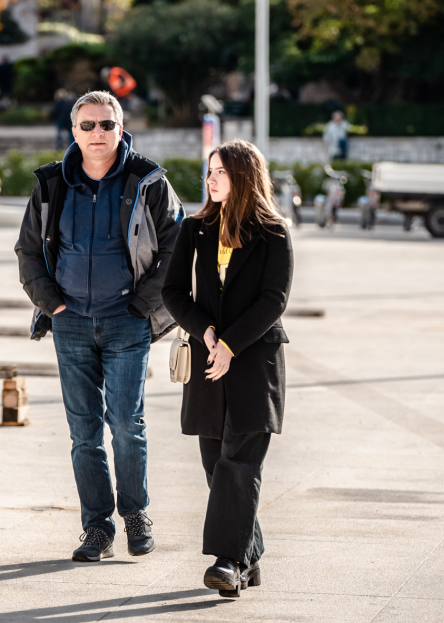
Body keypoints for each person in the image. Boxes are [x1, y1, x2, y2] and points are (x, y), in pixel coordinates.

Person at [15, 90, 184, 562]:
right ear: (73, 131)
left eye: (106, 125)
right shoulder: (52, 184)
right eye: (86, 125)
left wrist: (141, 305)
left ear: (120, 128)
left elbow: (175, 249)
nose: (96, 133)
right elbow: (28, 251)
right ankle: (97, 528)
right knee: (83, 431)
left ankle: (135, 513)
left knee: (127, 424)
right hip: (69, 324)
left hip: (126, 322)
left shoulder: (147, 180)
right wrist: (51, 304)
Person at [161, 139, 293, 599]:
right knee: (215, 463)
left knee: (239, 463)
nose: (211, 179)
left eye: (220, 171)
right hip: (207, 361)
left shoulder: (274, 232)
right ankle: (249, 554)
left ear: (244, 177)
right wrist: (208, 335)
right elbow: (174, 291)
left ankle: (228, 563)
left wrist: (232, 343)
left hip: (256, 363)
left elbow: (274, 300)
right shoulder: (195, 228)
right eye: (209, 171)